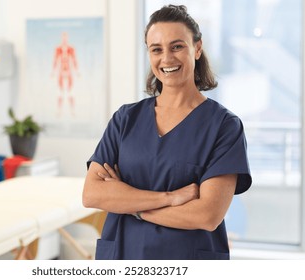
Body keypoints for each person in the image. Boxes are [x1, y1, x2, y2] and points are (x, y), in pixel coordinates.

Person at [82, 4, 252, 260]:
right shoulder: (125, 119)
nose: (167, 58)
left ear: (197, 48)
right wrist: (171, 198)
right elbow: (92, 194)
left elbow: (206, 215)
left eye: (177, 46)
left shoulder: (224, 126)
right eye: (156, 49)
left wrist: (131, 207)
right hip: (123, 255)